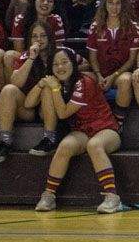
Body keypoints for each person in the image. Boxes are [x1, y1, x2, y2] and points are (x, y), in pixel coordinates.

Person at [32, 46, 125, 214]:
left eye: (64, 62)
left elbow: (63, 113)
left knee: (94, 145)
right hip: (82, 130)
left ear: (73, 64)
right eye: (55, 64)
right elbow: (28, 103)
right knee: (65, 146)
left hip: (107, 129)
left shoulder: (84, 82)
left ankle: (113, 197)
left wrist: (54, 89)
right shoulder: (57, 83)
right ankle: (49, 195)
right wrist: (41, 84)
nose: (60, 67)